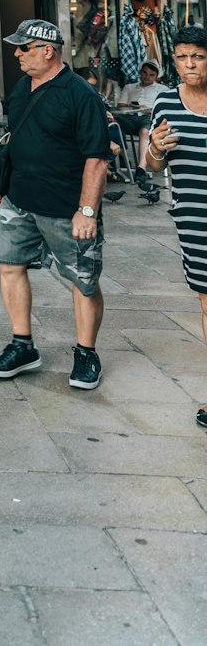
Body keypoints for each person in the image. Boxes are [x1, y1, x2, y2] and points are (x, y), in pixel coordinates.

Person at [0, 19, 111, 391]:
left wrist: (86, 211)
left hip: (66, 206)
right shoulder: (22, 87)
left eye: (24, 47)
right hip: (20, 199)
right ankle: (22, 346)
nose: (17, 53)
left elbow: (97, 158)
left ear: (47, 50)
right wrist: (4, 183)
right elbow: (18, 136)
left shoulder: (80, 94)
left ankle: (87, 353)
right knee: (9, 266)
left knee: (83, 281)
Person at [146, 25, 207, 430]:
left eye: (198, 57)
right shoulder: (166, 102)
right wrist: (155, 148)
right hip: (194, 220)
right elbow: (152, 165)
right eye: (183, 57)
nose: (190, 64)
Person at [118, 60, 167, 186]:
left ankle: (141, 169)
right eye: (145, 73)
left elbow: (164, 110)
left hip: (148, 118)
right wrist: (132, 106)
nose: (147, 77)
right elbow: (120, 106)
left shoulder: (162, 89)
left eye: (151, 75)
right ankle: (120, 158)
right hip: (128, 118)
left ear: (156, 76)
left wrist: (148, 109)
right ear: (140, 72)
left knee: (145, 131)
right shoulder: (129, 87)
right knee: (110, 121)